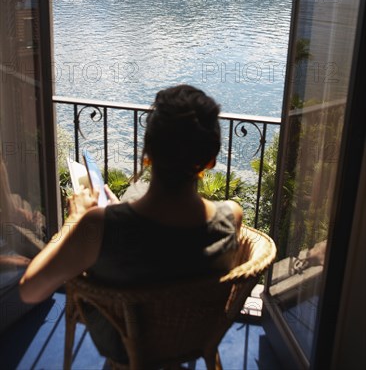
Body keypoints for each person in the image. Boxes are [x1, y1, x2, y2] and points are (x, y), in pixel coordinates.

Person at [19, 84, 243, 303]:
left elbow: (30, 291)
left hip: (126, 338)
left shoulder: (98, 227)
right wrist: (117, 211)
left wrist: (75, 220)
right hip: (197, 337)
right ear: (210, 161)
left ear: (147, 153)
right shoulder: (231, 216)